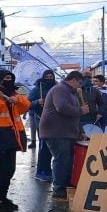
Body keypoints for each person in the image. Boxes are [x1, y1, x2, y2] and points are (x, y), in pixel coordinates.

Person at [0, 70, 30, 212]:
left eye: (11, 78)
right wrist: (0, 100)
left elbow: (25, 106)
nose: (8, 80)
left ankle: (3, 198)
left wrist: (18, 100)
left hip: (13, 136)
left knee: (10, 170)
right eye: (6, 78)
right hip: (0, 137)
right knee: (2, 172)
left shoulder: (13, 94)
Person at [39, 71, 89, 199]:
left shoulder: (71, 92)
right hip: (56, 132)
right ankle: (59, 188)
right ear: (74, 80)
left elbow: (75, 116)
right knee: (62, 159)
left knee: (67, 160)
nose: (80, 86)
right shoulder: (60, 90)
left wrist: (80, 131)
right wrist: (81, 110)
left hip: (66, 132)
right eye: (80, 83)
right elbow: (62, 107)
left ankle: (64, 184)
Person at [28, 70, 57, 182]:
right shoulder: (37, 89)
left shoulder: (56, 88)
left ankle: (48, 170)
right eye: (47, 76)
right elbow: (28, 104)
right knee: (43, 147)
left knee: (52, 147)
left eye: (51, 76)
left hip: (55, 122)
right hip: (41, 121)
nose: (49, 78)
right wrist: (37, 102)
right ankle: (41, 171)